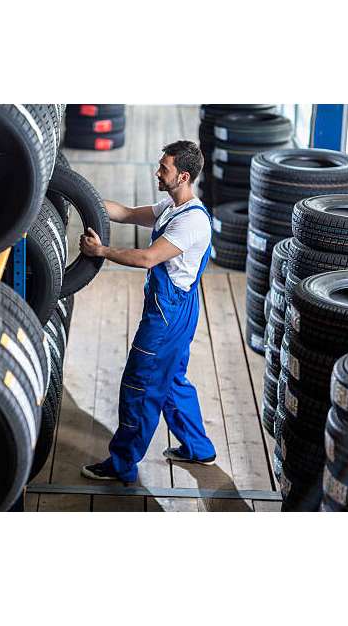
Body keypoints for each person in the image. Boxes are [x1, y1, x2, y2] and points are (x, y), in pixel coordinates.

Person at [77, 140, 217, 484]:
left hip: (168, 315)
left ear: (183, 176)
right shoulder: (171, 206)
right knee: (170, 380)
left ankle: (122, 463)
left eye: (164, 168)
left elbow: (147, 258)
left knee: (140, 384)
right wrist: (80, 197)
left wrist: (102, 251)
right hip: (177, 308)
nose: (158, 171)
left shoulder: (192, 222)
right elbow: (124, 213)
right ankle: (199, 448)